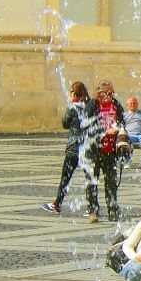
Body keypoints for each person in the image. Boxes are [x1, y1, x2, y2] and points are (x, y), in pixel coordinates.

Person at [41, 81, 89, 214]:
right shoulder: (90, 106)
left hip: (74, 148)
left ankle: (57, 203)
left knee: (65, 178)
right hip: (87, 148)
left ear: (75, 93)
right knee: (90, 179)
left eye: (71, 92)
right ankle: (92, 209)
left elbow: (65, 123)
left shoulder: (73, 107)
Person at [85, 82, 125, 223]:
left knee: (111, 182)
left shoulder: (116, 105)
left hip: (110, 150)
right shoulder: (92, 106)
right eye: (107, 93)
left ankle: (113, 210)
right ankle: (93, 211)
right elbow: (87, 127)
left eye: (112, 93)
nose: (110, 96)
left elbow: (122, 122)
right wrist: (104, 132)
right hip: (94, 150)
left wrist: (121, 132)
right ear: (99, 93)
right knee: (92, 182)